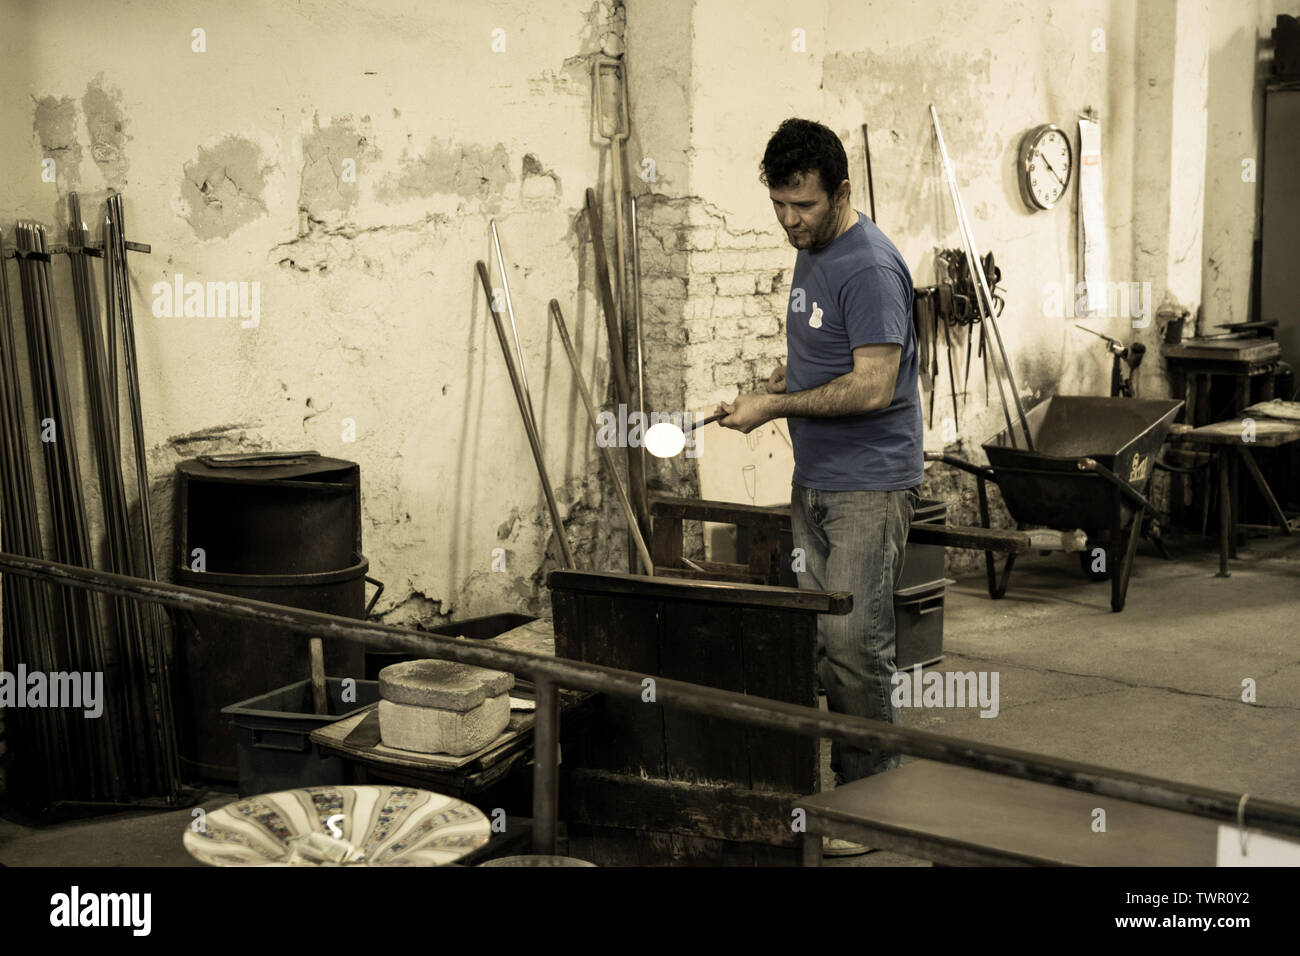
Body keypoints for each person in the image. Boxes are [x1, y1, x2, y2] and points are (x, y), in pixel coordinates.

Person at [716, 117, 923, 854]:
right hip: (818, 477)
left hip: (869, 482)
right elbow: (831, 350)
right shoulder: (814, 248)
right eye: (778, 205)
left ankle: (874, 807)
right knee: (816, 640)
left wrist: (773, 406)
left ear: (841, 191)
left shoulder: (867, 267)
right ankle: (836, 784)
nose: (789, 221)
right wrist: (787, 377)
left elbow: (872, 387)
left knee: (855, 645)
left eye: (802, 206)